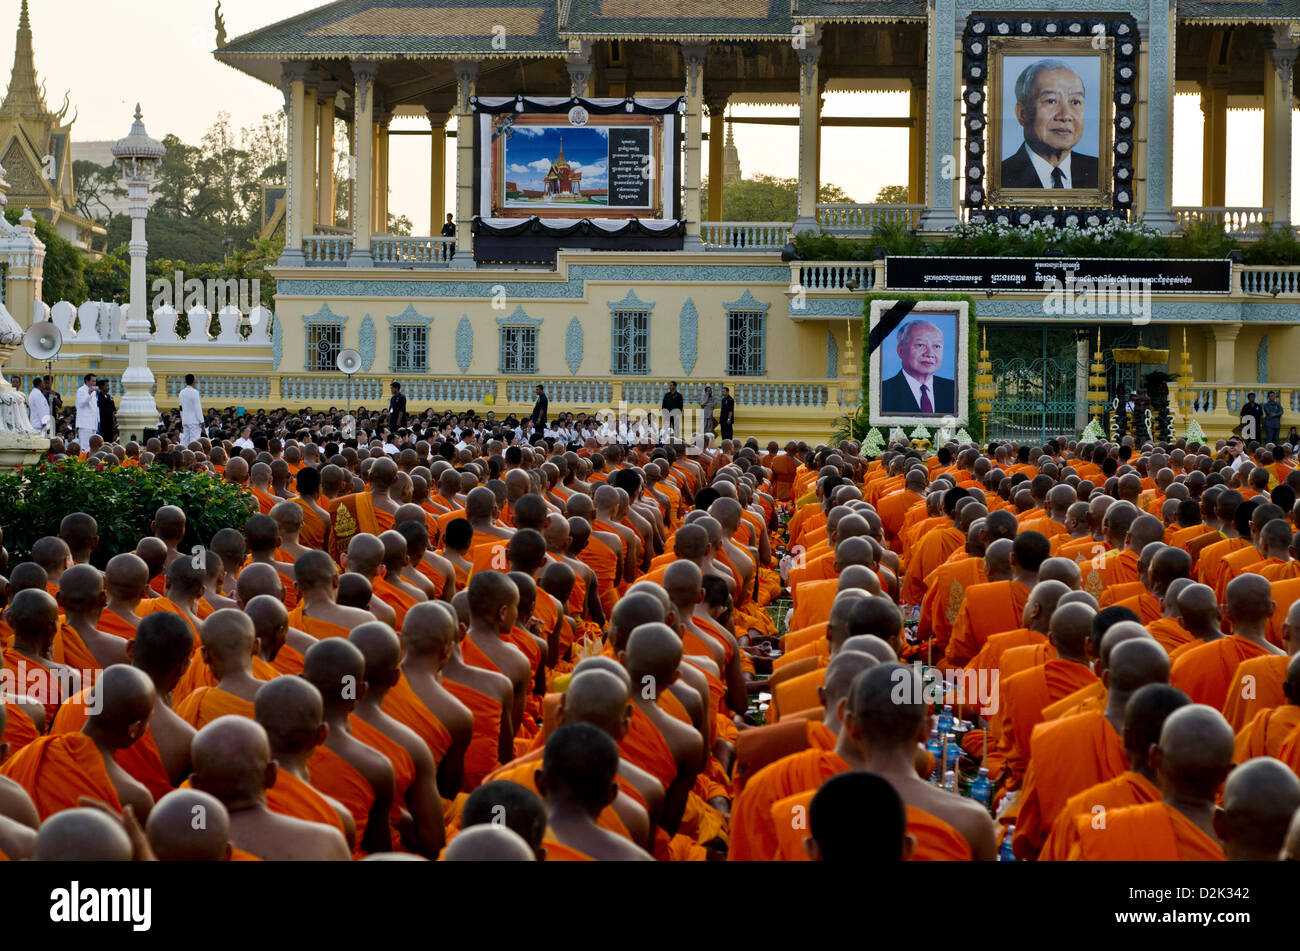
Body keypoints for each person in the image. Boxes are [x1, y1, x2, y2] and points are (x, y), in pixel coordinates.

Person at [1000, 58, 1098, 189]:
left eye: (1075, 102)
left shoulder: (1101, 173)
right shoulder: (1000, 177)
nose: (1065, 116)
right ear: (1022, 113)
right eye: (1051, 101)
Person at [880, 320, 955, 416]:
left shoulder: (953, 390)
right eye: (920, 345)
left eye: (937, 346)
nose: (930, 354)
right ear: (901, 351)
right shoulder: (883, 392)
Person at [74, 372, 99, 448]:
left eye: (95, 381)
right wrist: (89, 394)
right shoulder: (81, 390)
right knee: (85, 445)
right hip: (84, 423)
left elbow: (94, 407)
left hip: (93, 423)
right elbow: (80, 404)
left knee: (92, 445)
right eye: (93, 381)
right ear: (87, 381)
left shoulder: (93, 392)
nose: (94, 383)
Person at [180, 373, 204, 446]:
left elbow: (180, 407)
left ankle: (183, 453)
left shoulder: (182, 392)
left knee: (185, 440)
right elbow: (197, 407)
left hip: (185, 419)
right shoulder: (195, 392)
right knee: (194, 439)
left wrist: (182, 418)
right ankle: (192, 454)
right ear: (193, 381)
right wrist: (201, 420)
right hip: (194, 420)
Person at [96, 378, 117, 443]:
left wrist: (114, 422)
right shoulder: (97, 397)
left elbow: (113, 411)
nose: (108, 387)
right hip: (102, 424)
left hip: (110, 425)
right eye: (106, 385)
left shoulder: (109, 397)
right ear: (101, 387)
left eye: (108, 386)